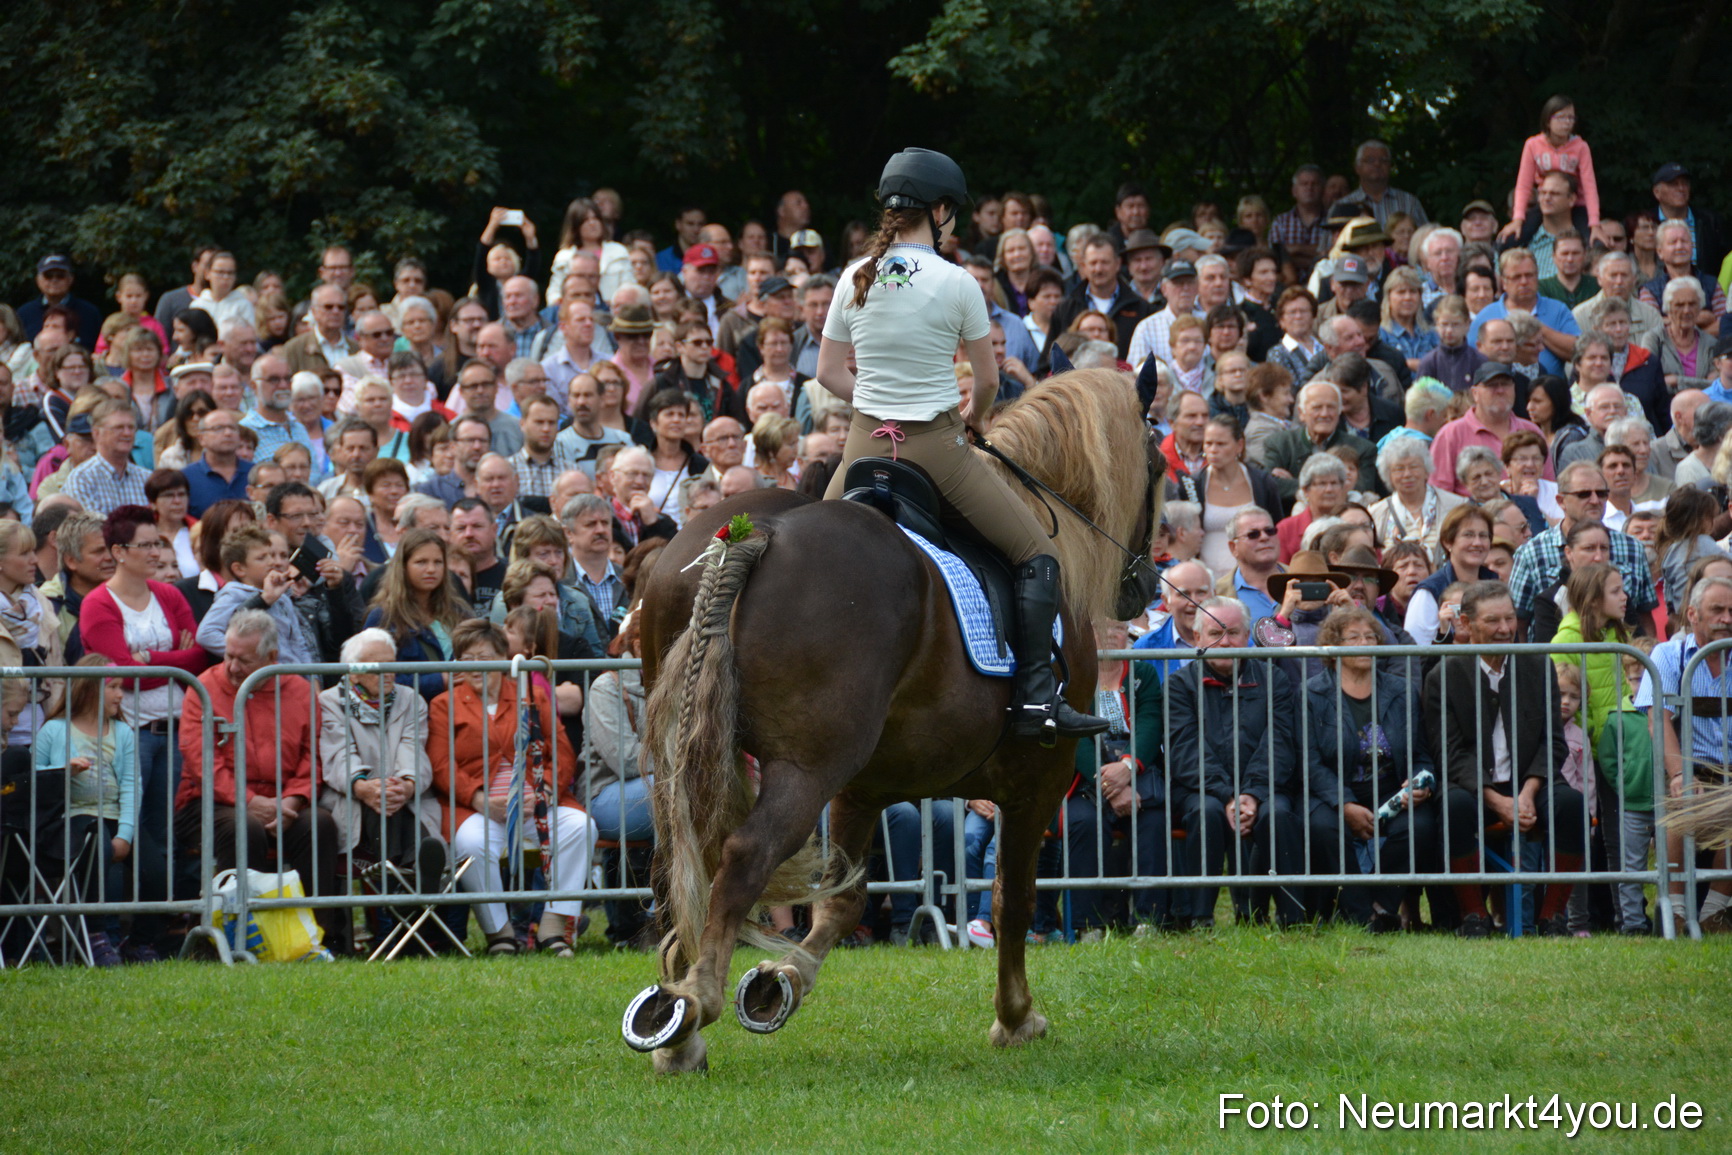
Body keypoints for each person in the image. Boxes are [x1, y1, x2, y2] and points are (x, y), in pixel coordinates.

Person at [815, 152, 1113, 741]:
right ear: (942, 211)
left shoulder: (853, 275)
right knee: (1036, 554)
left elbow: (828, 373)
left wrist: (875, 402)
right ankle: (1034, 702)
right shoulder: (957, 282)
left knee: (818, 551)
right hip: (936, 451)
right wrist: (970, 418)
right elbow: (987, 379)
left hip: (860, 447)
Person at [176, 610, 348, 954]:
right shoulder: (204, 688)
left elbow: (312, 756)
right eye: (228, 655)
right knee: (246, 828)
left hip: (282, 802)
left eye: (244, 659)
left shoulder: (299, 690)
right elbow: (200, 762)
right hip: (210, 802)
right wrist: (248, 800)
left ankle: (320, 940)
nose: (232, 667)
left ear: (272, 658)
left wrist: (293, 801)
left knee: (320, 825)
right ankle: (236, 941)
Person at [1425, 581, 1586, 937]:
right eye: (1493, 620)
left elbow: (1552, 742)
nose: (1504, 629)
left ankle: (1552, 917)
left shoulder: (1537, 666)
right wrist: (1497, 802)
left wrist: (1527, 794)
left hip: (1531, 780)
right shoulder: (1444, 675)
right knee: (1454, 806)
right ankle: (1473, 916)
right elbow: (1450, 754)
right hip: (1474, 787)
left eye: (1510, 618)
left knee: (1570, 804)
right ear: (1465, 624)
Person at [429, 619, 595, 957]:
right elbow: (441, 765)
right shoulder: (444, 705)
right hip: (479, 806)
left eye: (485, 657)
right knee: (473, 842)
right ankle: (499, 933)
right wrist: (478, 799)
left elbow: (561, 749)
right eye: (468, 659)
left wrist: (545, 790)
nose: (477, 667)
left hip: (537, 802)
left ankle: (554, 924)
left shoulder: (531, 695)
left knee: (581, 827)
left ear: (505, 659)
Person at [80, 507, 211, 886]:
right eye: (147, 545)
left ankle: (158, 927)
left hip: (173, 729)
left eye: (158, 543)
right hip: (128, 732)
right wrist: (172, 664)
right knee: (128, 829)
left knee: (165, 829)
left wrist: (151, 659)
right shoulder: (98, 603)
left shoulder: (168, 595)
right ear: (119, 551)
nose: (156, 552)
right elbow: (120, 672)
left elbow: (199, 654)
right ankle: (122, 926)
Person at [1166, 597, 1304, 927]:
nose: (1224, 642)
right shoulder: (1178, 685)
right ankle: (1200, 918)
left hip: (1265, 788)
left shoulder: (1275, 680)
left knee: (1279, 815)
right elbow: (1186, 751)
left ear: (1247, 636)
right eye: (1215, 633)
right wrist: (1228, 795)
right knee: (1207, 812)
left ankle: (1293, 918)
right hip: (1202, 789)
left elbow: (1280, 743)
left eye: (1233, 632)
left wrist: (1252, 794)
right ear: (1197, 638)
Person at [1305, 608, 1441, 929]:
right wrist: (1345, 804)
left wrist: (1421, 782)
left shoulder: (1401, 691)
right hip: (1335, 791)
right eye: (1353, 637)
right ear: (1333, 645)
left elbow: (1421, 753)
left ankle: (1381, 906)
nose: (1365, 643)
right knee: (1324, 827)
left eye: (1370, 637)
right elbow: (1310, 764)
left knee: (1419, 826)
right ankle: (1358, 911)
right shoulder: (1312, 694)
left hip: (1392, 790)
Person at [35, 655, 162, 963]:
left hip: (117, 817)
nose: (121, 695)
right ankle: (96, 934)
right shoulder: (53, 730)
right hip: (75, 817)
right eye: (114, 687)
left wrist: (127, 834)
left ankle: (140, 942)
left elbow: (133, 786)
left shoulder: (123, 733)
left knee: (158, 872)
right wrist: (64, 771)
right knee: (98, 851)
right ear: (90, 689)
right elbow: (35, 778)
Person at [1634, 575, 1732, 936]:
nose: (1726, 618)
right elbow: (1657, 722)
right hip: (1691, 765)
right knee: (1681, 795)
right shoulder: (1668, 654)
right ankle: (1674, 911)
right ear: (1692, 614)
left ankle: (1714, 911)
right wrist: (1678, 773)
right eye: (1717, 610)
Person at [317, 628, 448, 896]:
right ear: (353, 672)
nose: (388, 673)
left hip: (406, 798)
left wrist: (407, 785)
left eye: (391, 664)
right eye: (378, 667)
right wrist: (364, 787)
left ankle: (399, 880)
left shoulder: (411, 699)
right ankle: (412, 874)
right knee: (383, 802)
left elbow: (412, 749)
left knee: (391, 798)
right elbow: (339, 754)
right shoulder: (329, 702)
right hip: (352, 797)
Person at [1061, 619, 1172, 934]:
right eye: (1100, 627)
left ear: (1129, 634)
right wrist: (1108, 782)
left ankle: (1149, 922)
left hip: (1135, 769)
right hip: (1086, 775)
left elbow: (1150, 722)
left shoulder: (1143, 673)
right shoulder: (1073, 673)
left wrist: (1126, 768)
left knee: (1153, 821)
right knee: (1082, 822)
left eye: (1118, 628)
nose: (1110, 634)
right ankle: (1087, 926)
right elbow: (1073, 733)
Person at [1510, 462, 1657, 639]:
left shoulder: (1633, 548)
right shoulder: (1531, 552)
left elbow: (1644, 616)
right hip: (1555, 662)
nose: (1595, 500)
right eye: (1584, 494)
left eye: (1601, 493)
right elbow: (1518, 622)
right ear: (1561, 501)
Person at [362, 527, 471, 702]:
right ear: (403, 567)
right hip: (410, 719)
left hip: (459, 715)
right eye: (421, 562)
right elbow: (372, 678)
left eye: (438, 562)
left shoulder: (460, 613)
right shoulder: (383, 617)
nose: (431, 569)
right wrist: (438, 681)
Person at [195, 525, 315, 663]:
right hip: (263, 679)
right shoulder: (234, 594)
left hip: (291, 677)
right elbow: (206, 634)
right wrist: (247, 657)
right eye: (261, 558)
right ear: (239, 569)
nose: (272, 562)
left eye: (270, 555)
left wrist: (310, 678)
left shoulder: (282, 597)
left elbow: (299, 644)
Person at [1430, 362, 1547, 495]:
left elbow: (1549, 484)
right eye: (1492, 385)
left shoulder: (1532, 431)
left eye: (1505, 384)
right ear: (1475, 393)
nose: (1500, 390)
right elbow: (1439, 493)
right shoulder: (1450, 434)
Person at [1551, 562, 1633, 748]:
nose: (1624, 597)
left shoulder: (1621, 635)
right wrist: (1591, 734)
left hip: (1623, 743)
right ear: (1593, 599)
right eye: (1615, 592)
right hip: (1586, 748)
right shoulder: (1564, 641)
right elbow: (1558, 697)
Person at [1191, 415, 1284, 578]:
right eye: (1208, 443)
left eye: (1221, 444)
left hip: (1254, 577)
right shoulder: (1193, 484)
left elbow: (1277, 529)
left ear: (1239, 445)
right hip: (1206, 579)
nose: (1213, 450)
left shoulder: (1262, 482)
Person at [1368, 436, 1465, 560]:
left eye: (1414, 467)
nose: (1407, 474)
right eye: (1399, 469)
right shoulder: (1376, 513)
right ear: (1388, 475)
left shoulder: (1455, 505)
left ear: (1426, 470)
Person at [1655, 487, 1723, 610]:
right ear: (1703, 519)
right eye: (1712, 516)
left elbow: (1669, 596)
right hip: (1700, 612)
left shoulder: (1671, 550)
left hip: (1681, 616)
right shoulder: (1702, 544)